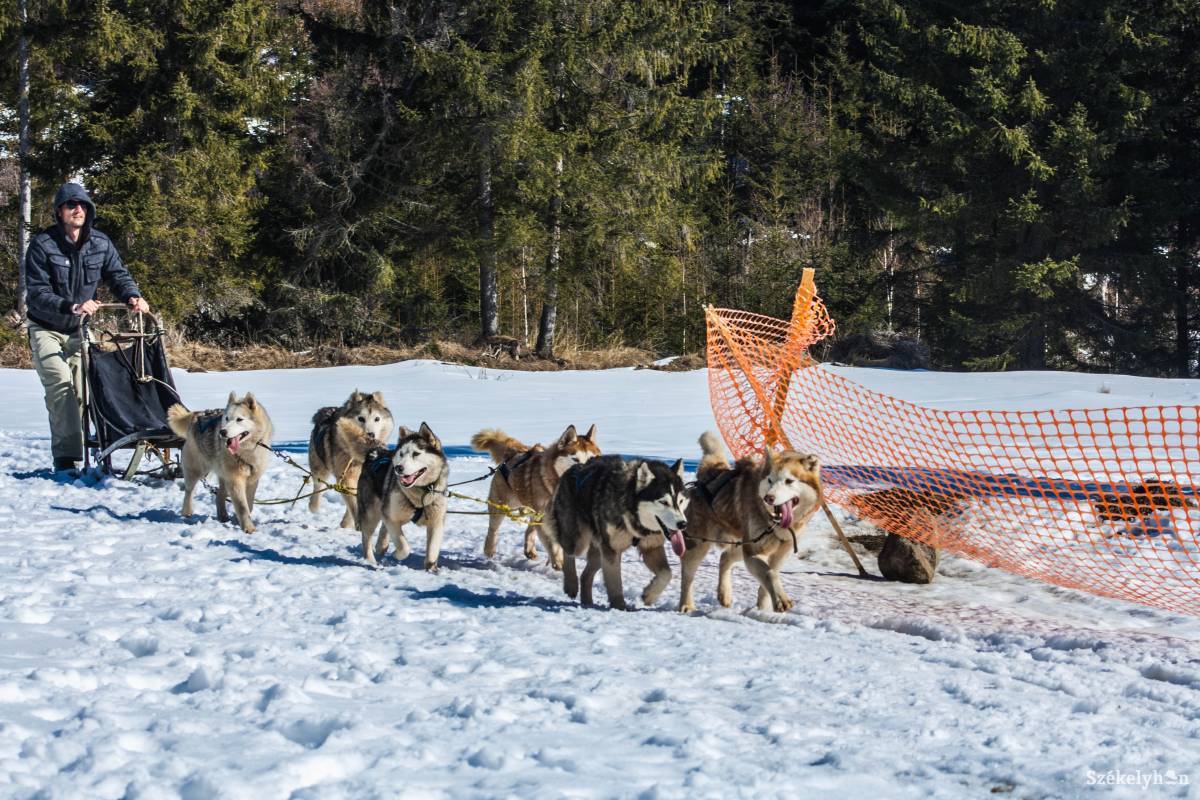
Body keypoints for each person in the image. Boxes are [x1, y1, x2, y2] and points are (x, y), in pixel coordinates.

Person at [24, 182, 150, 472]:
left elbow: (117, 274)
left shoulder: (100, 243)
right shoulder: (43, 244)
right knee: (61, 388)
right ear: (60, 211)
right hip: (46, 327)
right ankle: (66, 459)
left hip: (80, 330)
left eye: (83, 205)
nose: (78, 209)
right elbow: (37, 293)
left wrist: (132, 296)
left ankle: (87, 450)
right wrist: (71, 306)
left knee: (84, 392)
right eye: (71, 205)